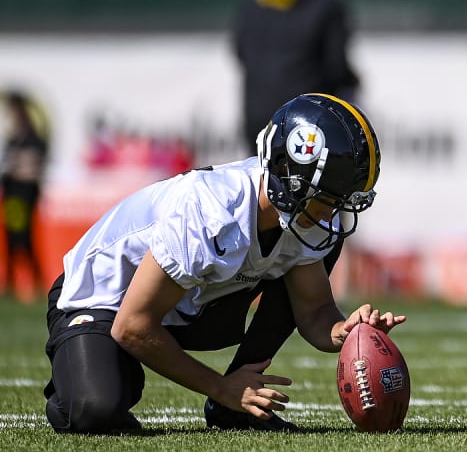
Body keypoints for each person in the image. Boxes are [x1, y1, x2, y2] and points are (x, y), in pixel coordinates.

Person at [43, 93, 402, 434]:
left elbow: (313, 311)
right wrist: (221, 387)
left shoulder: (299, 214)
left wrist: (347, 331)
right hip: (106, 302)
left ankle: (235, 411)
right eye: (328, 199)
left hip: (189, 304)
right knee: (94, 409)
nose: (334, 212)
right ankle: (86, 368)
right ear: (290, 182)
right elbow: (132, 325)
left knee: (309, 254)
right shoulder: (210, 210)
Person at [233, 0, 361, 147]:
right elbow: (336, 66)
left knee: (260, 178)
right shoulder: (326, 6)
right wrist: (352, 83)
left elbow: (238, 51)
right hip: (305, 122)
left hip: (257, 117)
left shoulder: (256, 3)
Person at [0, 90, 47, 299]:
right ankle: (11, 284)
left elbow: (31, 168)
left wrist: (14, 167)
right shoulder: (14, 137)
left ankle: (31, 283)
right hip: (12, 193)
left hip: (21, 194)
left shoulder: (29, 137)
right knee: (11, 240)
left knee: (23, 239)